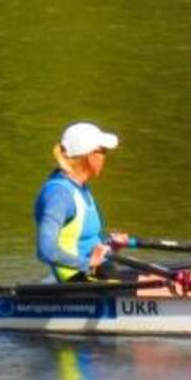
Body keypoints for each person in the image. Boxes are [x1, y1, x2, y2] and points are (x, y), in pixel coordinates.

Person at [33, 121, 129, 282]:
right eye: (103, 152)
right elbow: (45, 250)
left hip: (96, 273)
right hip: (76, 280)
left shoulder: (80, 187)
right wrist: (88, 263)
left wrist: (111, 246)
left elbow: (84, 242)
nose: (105, 158)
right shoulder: (59, 194)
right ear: (91, 157)